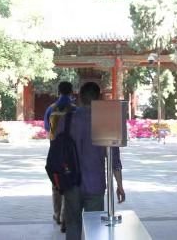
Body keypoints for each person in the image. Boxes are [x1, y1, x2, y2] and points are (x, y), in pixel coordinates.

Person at [61, 82, 125, 240]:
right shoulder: (105, 120)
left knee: (73, 225)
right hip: (95, 183)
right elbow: (114, 158)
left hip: (71, 182)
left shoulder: (66, 119)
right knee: (95, 229)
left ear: (79, 97)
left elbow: (57, 151)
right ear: (99, 98)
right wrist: (119, 185)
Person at [44, 81, 75, 230]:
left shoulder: (51, 109)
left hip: (55, 151)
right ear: (72, 92)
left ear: (58, 92)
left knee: (56, 182)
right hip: (71, 153)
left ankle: (57, 214)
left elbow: (47, 129)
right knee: (70, 182)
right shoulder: (75, 109)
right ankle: (65, 216)